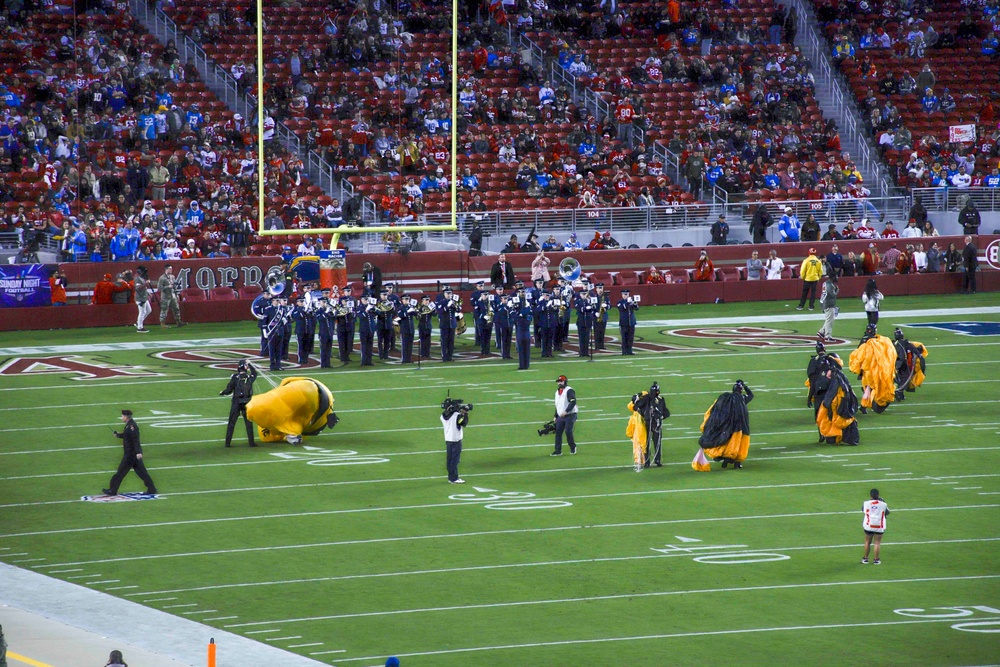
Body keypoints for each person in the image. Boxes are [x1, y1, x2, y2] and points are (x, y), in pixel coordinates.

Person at [246, 377, 338, 445]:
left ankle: (293, 436)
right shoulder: (286, 422)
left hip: (313, 396)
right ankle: (293, 436)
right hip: (313, 393)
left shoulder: (280, 423)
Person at [692, 380, 754, 471]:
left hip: (728, 425)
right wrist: (745, 386)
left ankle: (725, 459)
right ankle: (737, 463)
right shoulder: (742, 399)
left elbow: (716, 409)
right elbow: (751, 395)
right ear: (741, 391)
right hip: (740, 426)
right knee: (739, 445)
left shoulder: (726, 399)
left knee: (727, 443)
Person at [103, 409, 157, 496]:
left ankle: (112, 490)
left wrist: (138, 452)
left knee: (120, 472)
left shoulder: (132, 426)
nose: (121, 418)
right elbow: (127, 435)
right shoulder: (129, 425)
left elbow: (135, 440)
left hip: (131, 455)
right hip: (133, 455)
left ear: (126, 417)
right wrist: (118, 435)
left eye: (122, 416)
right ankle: (152, 489)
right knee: (142, 473)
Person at [849, 323, 898, 414]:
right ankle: (868, 404)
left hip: (867, 369)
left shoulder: (867, 340)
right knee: (876, 387)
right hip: (876, 369)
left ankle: (864, 406)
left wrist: (857, 367)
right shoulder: (880, 341)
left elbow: (858, 353)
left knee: (868, 387)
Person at [814, 353, 860, 445]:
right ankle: (839, 436)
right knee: (836, 420)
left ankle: (845, 437)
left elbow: (833, 391)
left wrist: (826, 402)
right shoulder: (838, 376)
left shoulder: (835, 376)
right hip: (838, 402)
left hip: (838, 402)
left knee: (838, 419)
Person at [632, 382, 670, 468]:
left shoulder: (654, 399)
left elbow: (666, 412)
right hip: (651, 423)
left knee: (652, 443)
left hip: (652, 423)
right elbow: (636, 406)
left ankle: (652, 461)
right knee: (651, 442)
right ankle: (652, 461)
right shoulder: (653, 399)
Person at [220, 360, 257, 447]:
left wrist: (223, 392)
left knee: (232, 423)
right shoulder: (249, 377)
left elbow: (229, 389)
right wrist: (250, 364)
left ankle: (227, 443)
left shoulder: (235, 377)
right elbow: (255, 373)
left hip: (237, 402)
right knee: (248, 423)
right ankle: (251, 442)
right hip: (247, 402)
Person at [441, 396, 470, 484]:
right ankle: (454, 478)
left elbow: (449, 414)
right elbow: (463, 423)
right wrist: (464, 412)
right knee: (454, 460)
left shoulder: (442, 416)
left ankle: (450, 477)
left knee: (449, 459)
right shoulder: (456, 416)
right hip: (456, 441)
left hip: (448, 440)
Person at [551, 374, 578, 456]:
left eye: (561, 381)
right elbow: (558, 405)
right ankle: (558, 450)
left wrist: (566, 411)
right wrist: (556, 415)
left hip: (570, 414)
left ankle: (573, 447)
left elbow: (573, 402)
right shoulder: (557, 392)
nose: (559, 383)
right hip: (561, 416)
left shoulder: (569, 390)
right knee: (558, 432)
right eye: (558, 381)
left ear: (565, 382)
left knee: (568, 431)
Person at [861, 488, 889, 564]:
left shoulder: (866, 503)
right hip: (879, 526)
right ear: (878, 495)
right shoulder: (883, 504)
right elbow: (887, 512)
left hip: (868, 525)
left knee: (867, 542)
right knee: (877, 543)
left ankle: (865, 559)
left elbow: (863, 510)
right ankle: (876, 560)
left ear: (870, 495)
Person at [437, 286, 460, 362]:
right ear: (444, 294)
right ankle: (444, 357)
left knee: (451, 341)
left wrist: (456, 306)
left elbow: (458, 310)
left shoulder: (453, 302)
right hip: (444, 324)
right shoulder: (441, 302)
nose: (449, 295)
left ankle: (450, 357)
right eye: (447, 293)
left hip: (452, 324)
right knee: (444, 341)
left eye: (450, 293)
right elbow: (440, 312)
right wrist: (447, 306)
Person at [817, 273, 840, 342]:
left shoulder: (826, 283)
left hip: (825, 302)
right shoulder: (830, 285)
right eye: (836, 276)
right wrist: (836, 291)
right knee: (829, 320)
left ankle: (821, 332)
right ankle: (827, 336)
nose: (837, 278)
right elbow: (831, 294)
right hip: (828, 304)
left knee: (829, 319)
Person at [514, 289, 533, 369]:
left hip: (526, 325)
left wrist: (525, 315)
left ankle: (527, 364)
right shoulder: (515, 301)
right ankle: (522, 365)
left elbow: (530, 313)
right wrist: (521, 314)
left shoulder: (528, 301)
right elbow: (514, 313)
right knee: (521, 347)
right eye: (521, 292)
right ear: (518, 293)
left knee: (527, 347)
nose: (522, 293)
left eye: (523, 292)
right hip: (519, 325)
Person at [616, 288, 639, 355]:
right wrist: (628, 303)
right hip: (624, 322)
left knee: (630, 337)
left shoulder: (631, 301)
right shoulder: (619, 302)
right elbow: (622, 308)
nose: (625, 296)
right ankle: (624, 351)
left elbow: (637, 308)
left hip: (631, 322)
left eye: (626, 294)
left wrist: (634, 303)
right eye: (624, 294)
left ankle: (629, 351)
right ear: (622, 295)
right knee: (624, 337)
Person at [396, 294, 416, 364]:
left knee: (410, 345)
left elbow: (416, 315)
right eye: (405, 299)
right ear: (402, 300)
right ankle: (404, 359)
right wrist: (408, 312)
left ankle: (409, 359)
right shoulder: (400, 308)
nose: (407, 300)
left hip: (411, 328)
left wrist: (415, 310)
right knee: (405, 345)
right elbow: (401, 315)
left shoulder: (411, 307)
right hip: (404, 328)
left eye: (408, 299)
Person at [133, 265, 151, 332]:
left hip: (144, 296)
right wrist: (146, 284)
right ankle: (140, 327)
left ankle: (138, 322)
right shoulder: (137, 278)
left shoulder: (141, 278)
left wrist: (147, 293)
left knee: (148, 310)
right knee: (142, 312)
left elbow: (143, 288)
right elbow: (138, 288)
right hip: (140, 298)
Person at [593, 283, 610, 349]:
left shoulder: (606, 297)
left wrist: (606, 306)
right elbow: (592, 307)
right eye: (599, 288)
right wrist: (595, 313)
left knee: (602, 332)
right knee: (597, 331)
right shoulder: (594, 297)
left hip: (604, 316)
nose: (600, 290)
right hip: (596, 316)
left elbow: (609, 306)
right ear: (596, 289)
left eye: (601, 288)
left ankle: (601, 345)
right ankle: (597, 345)